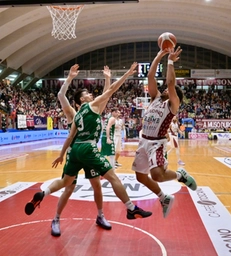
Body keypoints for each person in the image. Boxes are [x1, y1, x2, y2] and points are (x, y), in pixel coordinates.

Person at [25, 62, 152, 222]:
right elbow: (110, 92)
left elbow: (71, 136)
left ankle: (44, 194)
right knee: (109, 178)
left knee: (74, 182)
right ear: (81, 100)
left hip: (75, 151)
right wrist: (126, 74)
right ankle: (131, 209)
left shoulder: (80, 115)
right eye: (88, 94)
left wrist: (61, 154)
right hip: (87, 148)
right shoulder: (83, 109)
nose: (91, 95)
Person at [132, 47, 197, 219]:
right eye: (167, 90)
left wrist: (169, 61)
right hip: (143, 141)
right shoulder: (155, 98)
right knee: (140, 176)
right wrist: (159, 55)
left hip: (156, 143)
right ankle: (164, 198)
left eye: (170, 91)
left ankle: (179, 175)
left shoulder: (172, 105)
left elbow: (170, 83)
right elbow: (150, 77)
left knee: (157, 176)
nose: (166, 90)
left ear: (176, 97)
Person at [51, 64, 113, 236]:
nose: (90, 95)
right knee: (68, 189)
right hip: (75, 155)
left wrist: (108, 78)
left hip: (90, 153)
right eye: (86, 94)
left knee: (97, 186)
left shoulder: (94, 109)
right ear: (79, 103)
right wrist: (70, 78)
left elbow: (106, 96)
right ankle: (56, 218)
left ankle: (100, 215)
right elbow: (60, 95)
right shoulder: (72, 113)